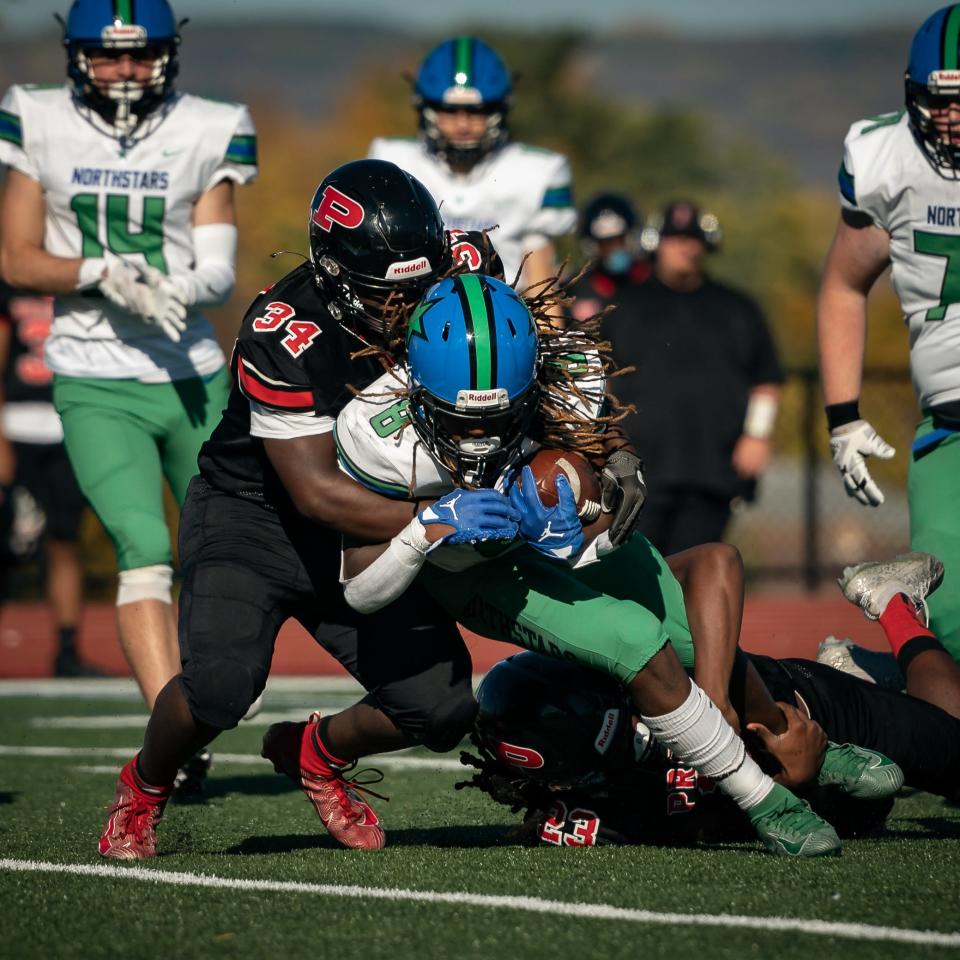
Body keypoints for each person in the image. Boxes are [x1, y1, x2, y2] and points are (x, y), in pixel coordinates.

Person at [331, 272, 857, 856]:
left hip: (538, 540)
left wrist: (585, 527)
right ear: (417, 390)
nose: (478, 435)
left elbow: (602, 513)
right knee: (633, 639)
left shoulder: (565, 381)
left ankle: (800, 741)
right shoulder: (374, 432)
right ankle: (764, 799)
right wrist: (424, 529)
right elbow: (359, 589)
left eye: (498, 416)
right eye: (458, 418)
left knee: (686, 625)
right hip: (475, 571)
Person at [97, 159, 507, 859]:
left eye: (421, 288)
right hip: (253, 515)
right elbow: (314, 492)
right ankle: (144, 785)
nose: (410, 311)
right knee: (219, 689)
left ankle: (314, 753)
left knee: (439, 705)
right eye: (388, 295)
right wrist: (440, 519)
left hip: (368, 507)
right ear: (336, 273)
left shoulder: (459, 263)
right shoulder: (284, 330)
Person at [0, 0, 257, 709]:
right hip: (94, 374)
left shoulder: (209, 125)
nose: (122, 71)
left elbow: (217, 267)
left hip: (192, 376)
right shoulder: (36, 116)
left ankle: (228, 670)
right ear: (76, 56)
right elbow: (16, 258)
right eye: (107, 55)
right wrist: (104, 273)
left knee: (235, 544)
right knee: (142, 545)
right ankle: (176, 723)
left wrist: (168, 284)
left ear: (168, 54)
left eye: (139, 55)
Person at [462, 551, 959, 847]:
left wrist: (717, 694)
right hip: (806, 784)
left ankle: (891, 603)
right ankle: (865, 664)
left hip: (807, 706)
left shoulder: (621, 653)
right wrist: (797, 784)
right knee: (870, 811)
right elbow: (711, 828)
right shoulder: (584, 814)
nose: (643, 735)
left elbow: (715, 561)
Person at [816, 4, 960, 669]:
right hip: (949, 424)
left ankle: (861, 683)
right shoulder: (888, 158)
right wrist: (844, 417)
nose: (951, 117)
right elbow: (846, 284)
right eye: (938, 101)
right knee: (951, 622)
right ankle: (863, 685)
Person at [600, 200, 783, 556]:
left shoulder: (737, 308)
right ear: (655, 242)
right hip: (638, 471)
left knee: (699, 574)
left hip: (712, 471)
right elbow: (600, 381)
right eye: (674, 238)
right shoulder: (622, 308)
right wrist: (608, 442)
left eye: (692, 238)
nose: (684, 247)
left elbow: (765, 380)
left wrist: (757, 435)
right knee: (639, 576)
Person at [368, 36, 576, 291]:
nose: (463, 124)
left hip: (506, 314)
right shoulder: (393, 161)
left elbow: (540, 277)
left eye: (476, 111)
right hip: (408, 309)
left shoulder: (537, 173)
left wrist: (549, 331)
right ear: (426, 108)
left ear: (498, 109)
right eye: (450, 111)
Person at [0, 280, 97, 677]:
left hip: (67, 427)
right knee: (5, 544)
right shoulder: (8, 286)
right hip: (16, 427)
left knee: (64, 539)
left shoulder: (81, 280)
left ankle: (67, 651)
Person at [567, 192, 651, 325]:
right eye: (606, 244)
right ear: (594, 247)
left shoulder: (648, 279)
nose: (614, 249)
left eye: (619, 241)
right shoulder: (576, 289)